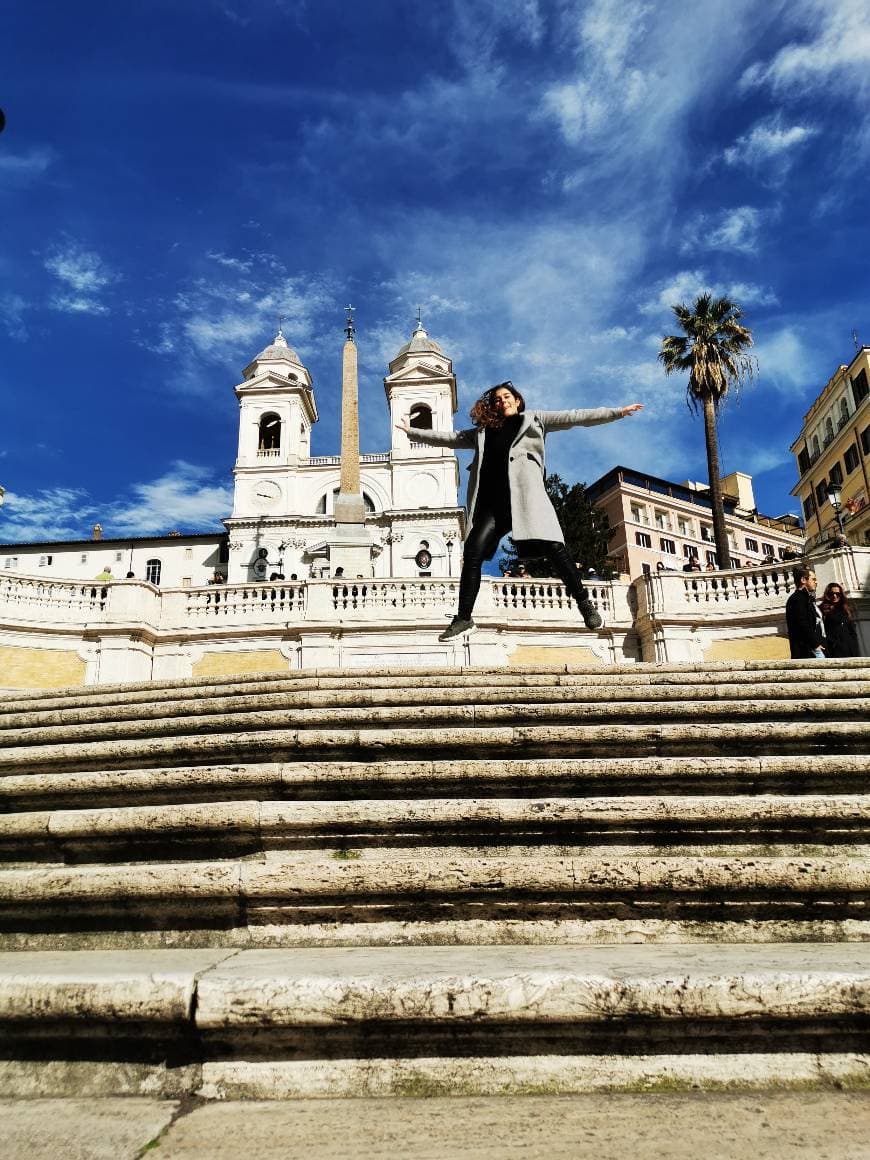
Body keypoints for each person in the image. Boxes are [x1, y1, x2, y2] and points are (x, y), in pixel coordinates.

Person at [396, 381, 643, 640]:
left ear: (517, 400)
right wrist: (411, 432)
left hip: (526, 499)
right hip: (492, 504)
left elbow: (575, 417)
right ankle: (464, 618)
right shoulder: (482, 432)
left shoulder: (535, 420)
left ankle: (584, 604)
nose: (502, 401)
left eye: (507, 397)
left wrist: (617, 412)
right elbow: (449, 438)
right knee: (472, 554)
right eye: (497, 399)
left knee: (555, 549)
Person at [785, 567, 824, 659]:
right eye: (813, 579)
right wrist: (815, 645)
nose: (816, 582)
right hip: (806, 652)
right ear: (803, 580)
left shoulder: (806, 599)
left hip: (810, 649)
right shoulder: (797, 599)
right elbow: (802, 624)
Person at [820, 582, 860, 658]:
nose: (834, 596)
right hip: (834, 650)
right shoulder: (823, 609)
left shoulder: (846, 609)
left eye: (837, 594)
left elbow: (852, 631)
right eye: (831, 593)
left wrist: (854, 647)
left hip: (849, 649)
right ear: (827, 594)